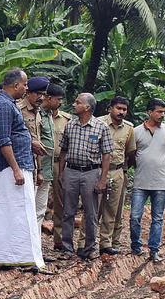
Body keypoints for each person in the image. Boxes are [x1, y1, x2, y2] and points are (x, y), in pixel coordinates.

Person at [0, 68, 46, 272]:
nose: (27, 88)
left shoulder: (7, 104)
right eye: (25, 84)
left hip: (16, 166)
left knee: (17, 212)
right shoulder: (2, 106)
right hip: (8, 169)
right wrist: (16, 169)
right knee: (11, 212)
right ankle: (11, 256)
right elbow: (3, 140)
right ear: (16, 85)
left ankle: (16, 256)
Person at [59, 92, 114, 260]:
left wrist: (102, 179)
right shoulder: (70, 126)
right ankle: (67, 247)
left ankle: (89, 248)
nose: (74, 105)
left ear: (87, 107)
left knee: (91, 213)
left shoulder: (101, 127)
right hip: (71, 171)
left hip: (91, 172)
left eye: (78, 102)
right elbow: (63, 150)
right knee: (68, 211)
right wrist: (62, 172)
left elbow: (106, 155)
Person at [130, 98, 165, 262]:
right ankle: (135, 246)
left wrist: (160, 165)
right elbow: (131, 154)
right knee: (135, 216)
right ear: (149, 112)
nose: (162, 115)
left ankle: (154, 250)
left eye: (164, 112)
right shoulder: (136, 131)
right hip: (140, 181)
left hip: (160, 181)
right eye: (159, 111)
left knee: (157, 218)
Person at [98, 97, 136, 255]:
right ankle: (86, 242)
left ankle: (107, 243)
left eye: (124, 109)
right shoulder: (98, 123)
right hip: (98, 170)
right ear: (110, 109)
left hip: (118, 170)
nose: (121, 112)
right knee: (95, 207)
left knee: (114, 209)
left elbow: (130, 152)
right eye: (118, 108)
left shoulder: (129, 128)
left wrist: (123, 170)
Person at [42, 84, 73, 251]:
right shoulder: (38, 116)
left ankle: (59, 240)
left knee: (61, 202)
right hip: (41, 162)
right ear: (49, 98)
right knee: (38, 201)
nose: (60, 102)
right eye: (58, 99)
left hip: (59, 163)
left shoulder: (67, 120)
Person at [19, 76, 52, 231]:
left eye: (43, 94)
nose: (41, 97)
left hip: (33, 164)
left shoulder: (38, 112)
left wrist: (39, 171)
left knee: (34, 208)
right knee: (21, 207)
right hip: (18, 164)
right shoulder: (18, 109)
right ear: (28, 93)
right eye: (38, 93)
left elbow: (37, 141)